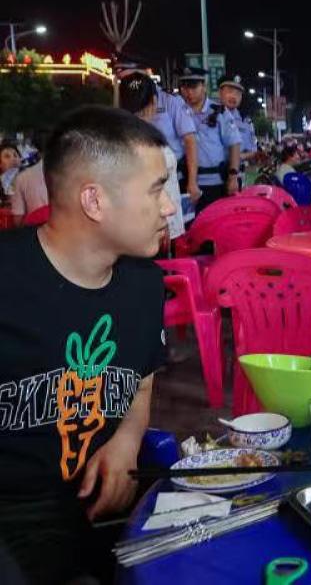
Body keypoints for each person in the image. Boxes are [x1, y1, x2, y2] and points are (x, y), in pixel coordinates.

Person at [0, 105, 173, 582]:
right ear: (94, 201)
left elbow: (140, 381)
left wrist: (127, 441)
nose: (169, 207)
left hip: (108, 509)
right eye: (156, 189)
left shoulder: (144, 285)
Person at [114, 58, 201, 207]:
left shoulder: (170, 101)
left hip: (172, 174)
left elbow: (190, 140)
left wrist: (192, 181)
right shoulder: (125, 99)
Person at [120, 72, 187, 242]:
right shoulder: (150, 143)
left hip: (128, 229)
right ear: (154, 102)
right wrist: (163, 224)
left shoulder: (116, 140)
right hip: (156, 230)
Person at [178, 67, 241, 211]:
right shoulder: (179, 111)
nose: (189, 92)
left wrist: (233, 177)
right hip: (186, 182)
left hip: (216, 183)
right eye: (185, 87)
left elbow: (234, 144)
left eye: (193, 87)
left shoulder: (219, 111)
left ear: (204, 86)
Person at [217, 74, 257, 185]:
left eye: (238, 93)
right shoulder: (209, 116)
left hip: (238, 176)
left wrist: (236, 156)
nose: (234, 96)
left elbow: (253, 151)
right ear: (220, 92)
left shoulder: (246, 121)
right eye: (230, 91)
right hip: (214, 177)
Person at [10, 142, 48, 227]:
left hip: (35, 231)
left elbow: (18, 221)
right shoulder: (74, 174)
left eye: (15, 155)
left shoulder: (22, 178)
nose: (13, 159)